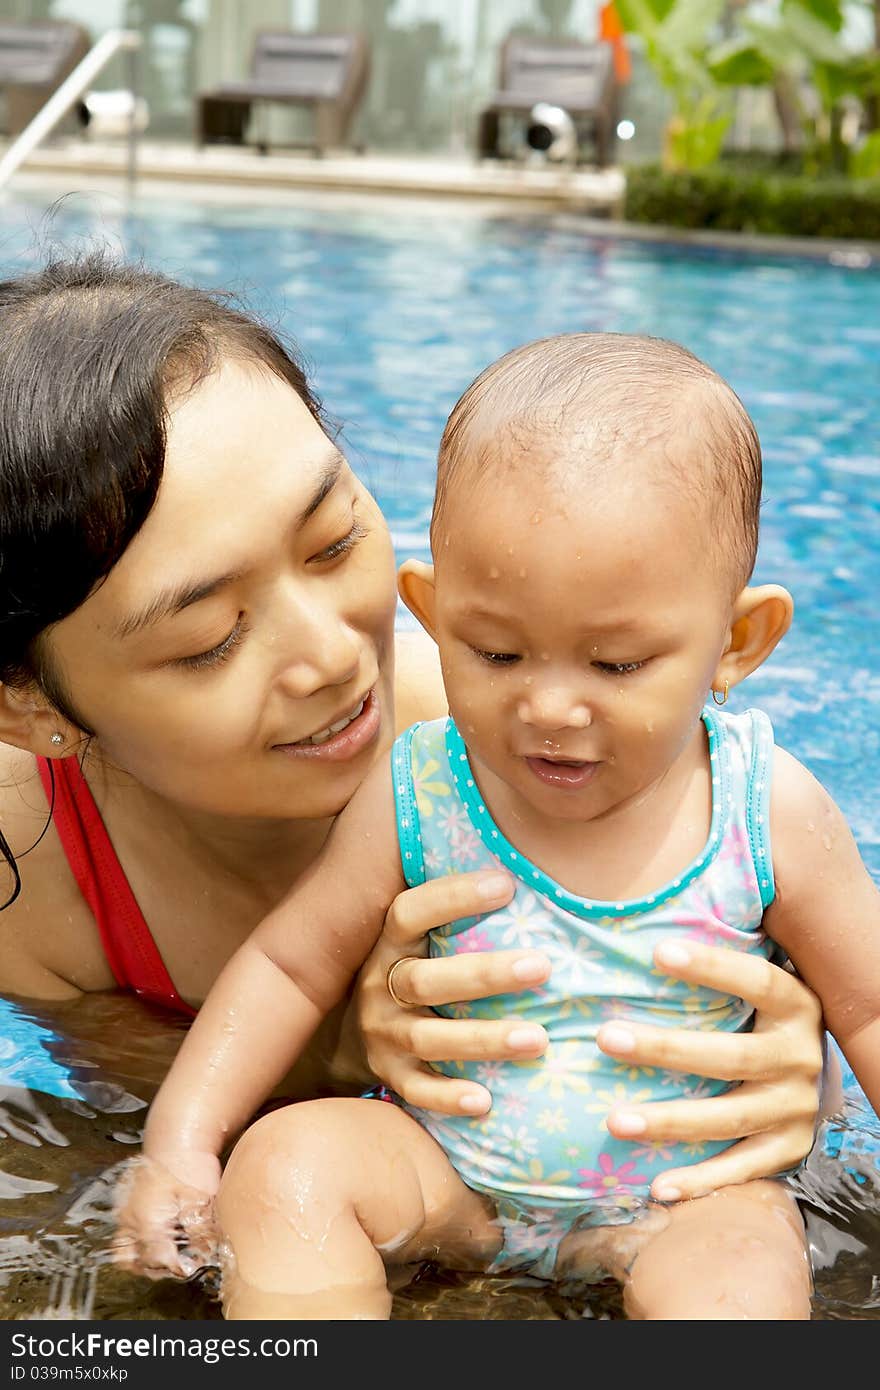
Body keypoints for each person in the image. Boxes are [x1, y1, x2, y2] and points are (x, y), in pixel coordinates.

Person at [0, 257, 826, 1281]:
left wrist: (800, 1072)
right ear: (28, 705)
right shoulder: (36, 888)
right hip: (437, 1174)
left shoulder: (641, 769)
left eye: (333, 538)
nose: (336, 657)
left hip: (669, 1195)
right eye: (211, 637)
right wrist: (197, 1139)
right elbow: (213, 1052)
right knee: (279, 1169)